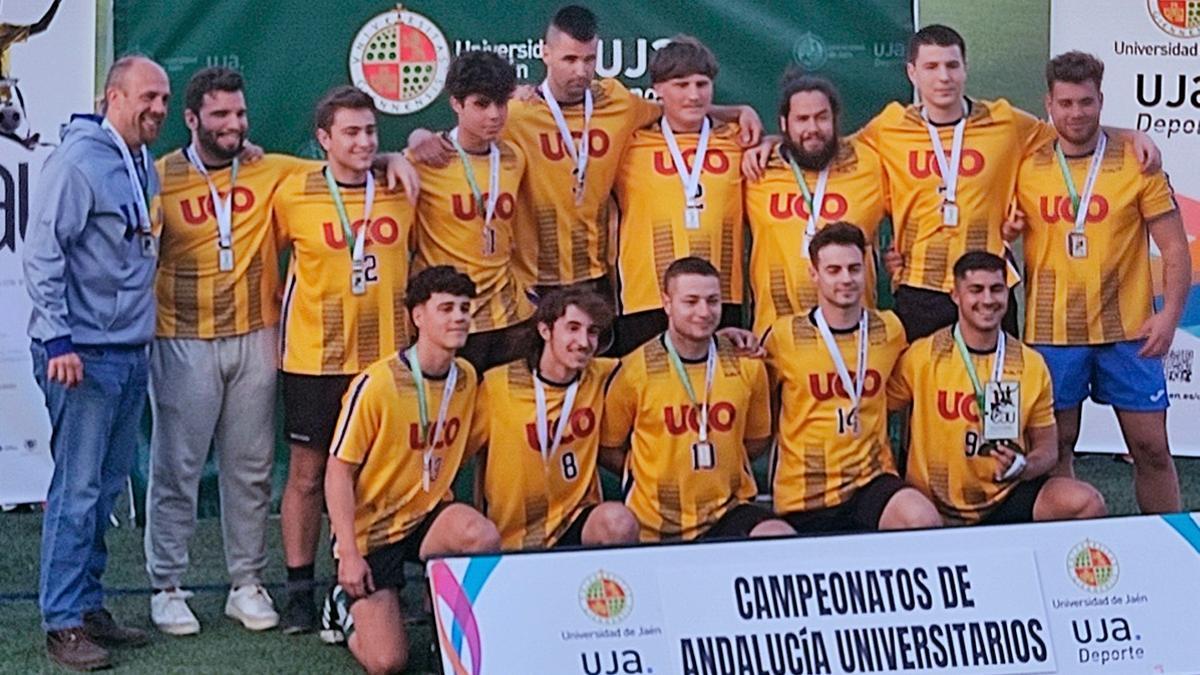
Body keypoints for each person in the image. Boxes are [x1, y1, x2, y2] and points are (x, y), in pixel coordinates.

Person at [407, 5, 762, 297]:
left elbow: (677, 106)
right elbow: (466, 132)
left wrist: (736, 111)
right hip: (530, 281)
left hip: (596, 277)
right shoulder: (515, 111)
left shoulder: (618, 102)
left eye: (589, 59)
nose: (581, 71)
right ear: (544, 54)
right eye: (569, 59)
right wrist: (418, 136)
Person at [855, 24, 1158, 341]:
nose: (943, 77)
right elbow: (843, 155)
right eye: (931, 67)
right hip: (920, 287)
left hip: (990, 288)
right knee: (925, 387)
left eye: (952, 65)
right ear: (912, 73)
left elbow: (1072, 130)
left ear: (965, 69)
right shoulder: (889, 126)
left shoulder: (1004, 121)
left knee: (998, 383)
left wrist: (1132, 135)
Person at [23, 54, 167, 671]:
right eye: (147, 98)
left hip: (128, 350)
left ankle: (88, 606)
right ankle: (61, 624)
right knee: (77, 493)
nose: (158, 109)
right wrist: (59, 341)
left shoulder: (138, 160)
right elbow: (42, 253)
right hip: (81, 356)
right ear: (113, 96)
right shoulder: (79, 162)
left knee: (105, 489)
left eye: (164, 99)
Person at [1008, 51, 1188, 513]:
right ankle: (1067, 557)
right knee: (1057, 449)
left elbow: (1173, 247)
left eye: (1085, 102)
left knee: (1150, 449)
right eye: (1065, 103)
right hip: (1052, 333)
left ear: (1101, 101)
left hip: (1129, 333)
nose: (1076, 113)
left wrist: (1169, 317)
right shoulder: (1025, 163)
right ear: (1048, 104)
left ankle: (1167, 547)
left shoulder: (1135, 161)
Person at [273, 85, 416, 634]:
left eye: (371, 132)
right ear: (323, 138)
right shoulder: (294, 191)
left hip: (385, 362)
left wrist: (399, 154)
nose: (363, 142)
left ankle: (371, 582)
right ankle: (299, 590)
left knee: (381, 477)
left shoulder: (402, 186)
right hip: (314, 359)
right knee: (308, 478)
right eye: (350, 132)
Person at [323, 265, 499, 675]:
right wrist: (348, 552)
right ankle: (340, 607)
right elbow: (337, 471)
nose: (458, 317)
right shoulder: (378, 384)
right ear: (418, 316)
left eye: (463, 308)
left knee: (482, 535)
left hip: (427, 517)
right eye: (445, 309)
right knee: (387, 663)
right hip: (375, 529)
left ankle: (451, 640)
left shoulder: (467, 378)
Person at [887, 252, 1107, 525]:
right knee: (913, 517)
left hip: (1005, 496)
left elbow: (1048, 449)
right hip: (933, 503)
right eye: (976, 290)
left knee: (1086, 503)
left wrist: (1025, 467)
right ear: (955, 295)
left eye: (997, 289)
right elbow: (877, 408)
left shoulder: (1030, 363)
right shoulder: (923, 355)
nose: (988, 300)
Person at [600, 257, 794, 541]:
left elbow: (756, 440)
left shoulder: (747, 365)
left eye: (712, 301)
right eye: (690, 301)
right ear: (667, 303)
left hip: (727, 510)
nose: (704, 311)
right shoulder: (634, 370)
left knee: (778, 535)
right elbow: (609, 447)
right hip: (654, 518)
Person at [764, 223, 941, 532]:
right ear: (814, 274)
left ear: (866, 270)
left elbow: (899, 390)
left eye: (854, 268)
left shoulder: (889, 330)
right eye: (833, 270)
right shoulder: (783, 336)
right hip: (805, 494)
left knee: (921, 519)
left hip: (870, 482)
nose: (846, 279)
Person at [470, 286, 638, 550]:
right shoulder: (496, 385)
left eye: (592, 331)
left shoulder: (603, 374)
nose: (583, 342)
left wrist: (719, 341)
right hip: (509, 534)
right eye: (572, 328)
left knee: (618, 522)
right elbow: (459, 451)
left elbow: (659, 357)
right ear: (545, 330)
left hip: (575, 520)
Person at [610, 36, 748, 356]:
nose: (693, 95)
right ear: (657, 89)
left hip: (718, 301)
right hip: (647, 301)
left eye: (702, 84)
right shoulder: (629, 143)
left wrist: (751, 125)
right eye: (681, 84)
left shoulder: (740, 141)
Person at [408, 50, 533, 372]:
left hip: (508, 315)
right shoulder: (425, 160)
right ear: (455, 104)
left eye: (501, 103)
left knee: (504, 418)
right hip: (450, 318)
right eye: (481, 104)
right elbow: (365, 170)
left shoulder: (513, 158)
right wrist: (401, 149)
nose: (494, 115)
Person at [744, 73, 888, 334]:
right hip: (776, 334)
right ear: (784, 124)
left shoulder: (870, 163)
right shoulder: (757, 170)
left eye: (822, 117)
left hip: (856, 334)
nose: (813, 128)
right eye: (802, 119)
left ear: (835, 120)